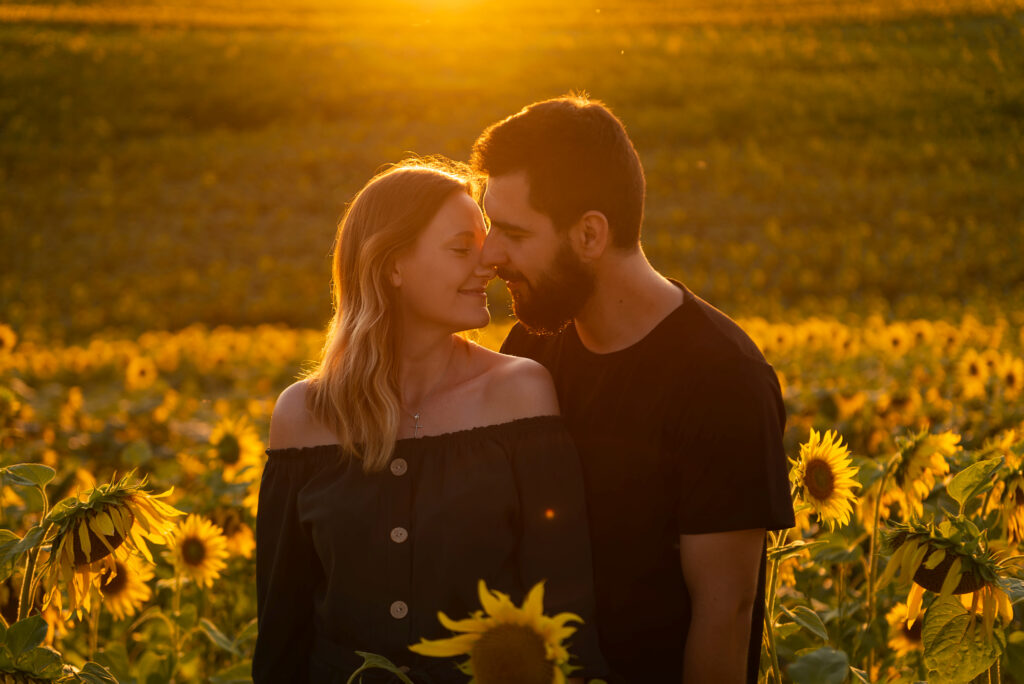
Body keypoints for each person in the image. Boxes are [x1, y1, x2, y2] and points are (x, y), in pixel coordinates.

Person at [473, 96, 797, 683]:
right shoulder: (530, 351)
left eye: (514, 232)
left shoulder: (721, 379)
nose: (490, 252)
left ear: (590, 234)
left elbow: (725, 613)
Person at [253, 159, 607, 683]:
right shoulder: (304, 416)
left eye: (484, 246)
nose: (488, 264)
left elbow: (565, 609)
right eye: (462, 248)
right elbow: (282, 631)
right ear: (392, 265)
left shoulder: (519, 394)